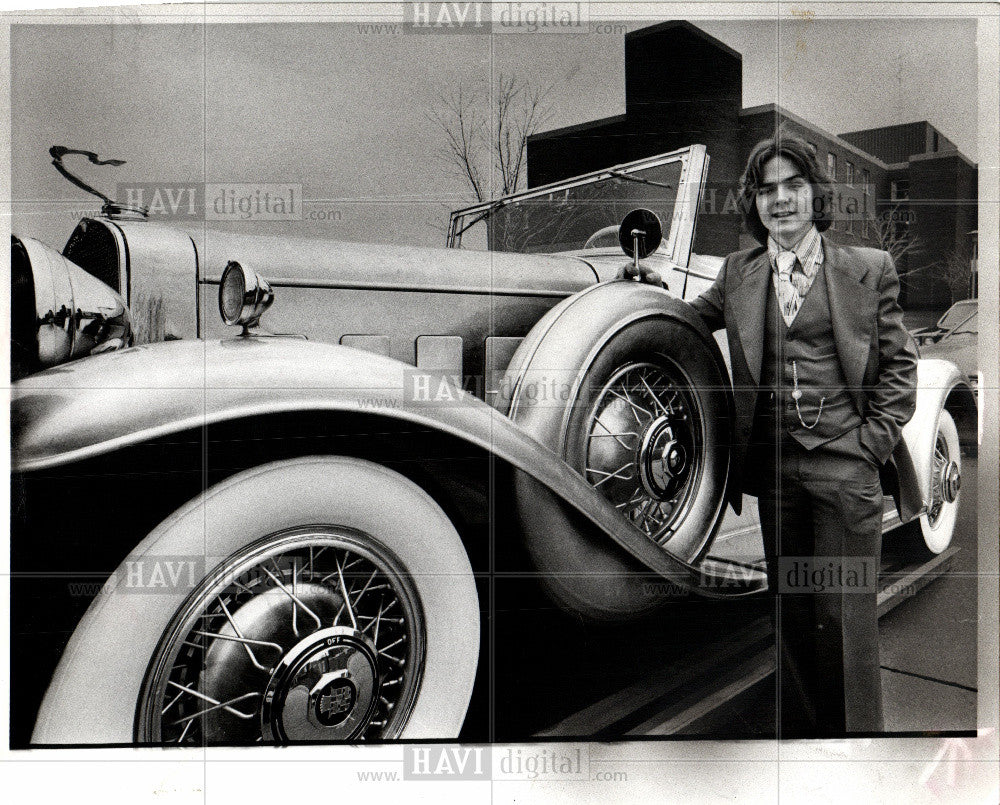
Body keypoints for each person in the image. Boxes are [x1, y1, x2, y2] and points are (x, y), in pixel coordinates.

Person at [689, 134, 918, 736]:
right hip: (775, 472)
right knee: (791, 616)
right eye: (768, 190)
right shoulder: (737, 272)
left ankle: (859, 752)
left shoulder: (867, 268)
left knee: (845, 619)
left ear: (816, 194)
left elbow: (900, 366)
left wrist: (870, 445)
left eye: (794, 186)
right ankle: (802, 750)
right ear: (755, 202)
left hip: (846, 468)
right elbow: (685, 321)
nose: (782, 200)